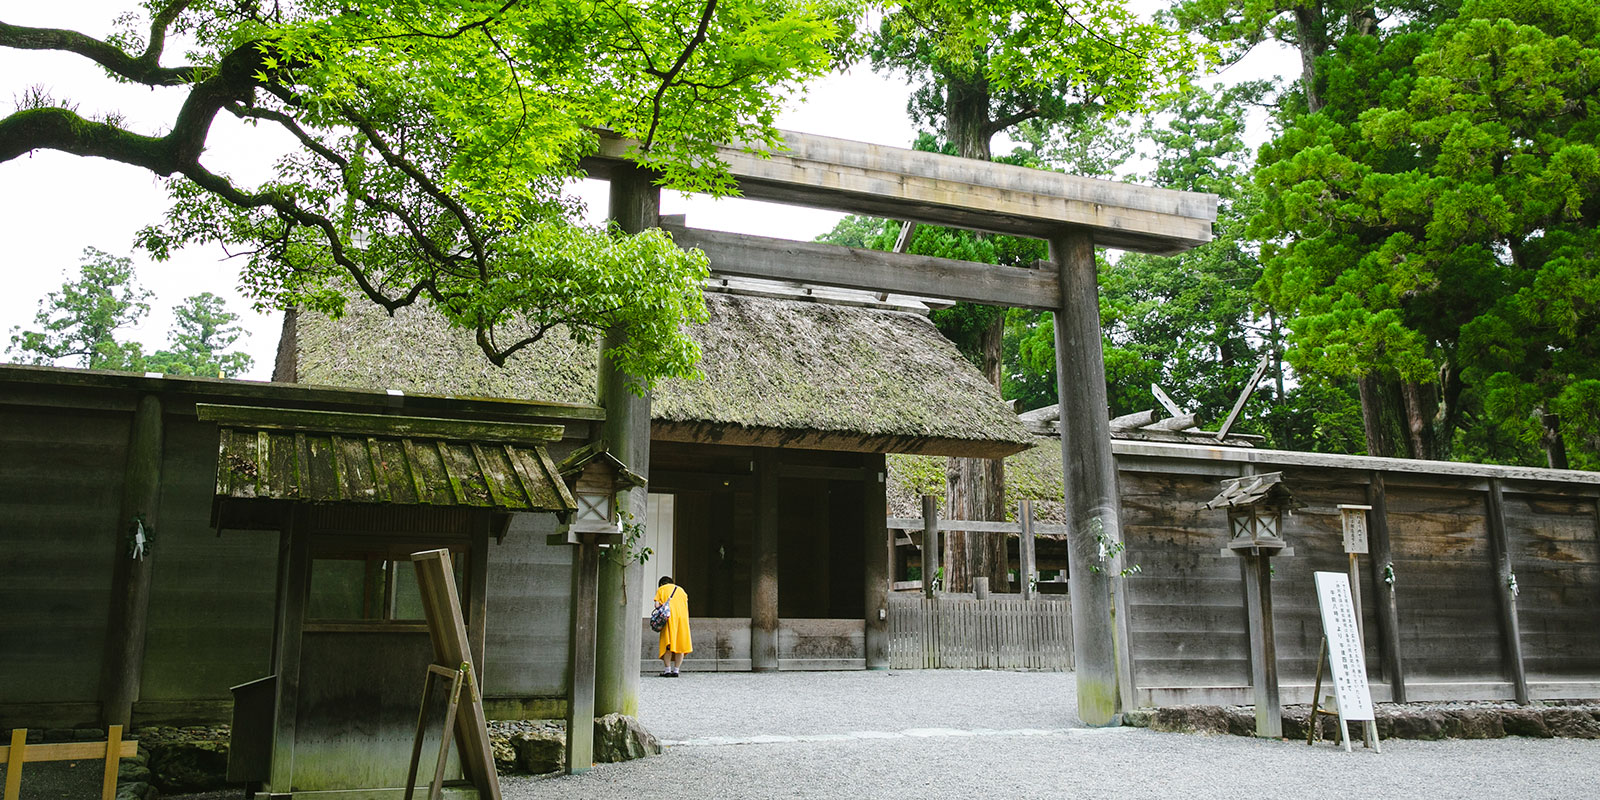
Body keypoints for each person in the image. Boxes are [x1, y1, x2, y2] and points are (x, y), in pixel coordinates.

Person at [654, 575, 691, 677]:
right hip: (682, 620)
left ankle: (667, 670)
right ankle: (676, 670)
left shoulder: (661, 589)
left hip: (669, 619)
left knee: (668, 645)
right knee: (680, 646)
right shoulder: (681, 590)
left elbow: (657, 605)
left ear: (661, 584)